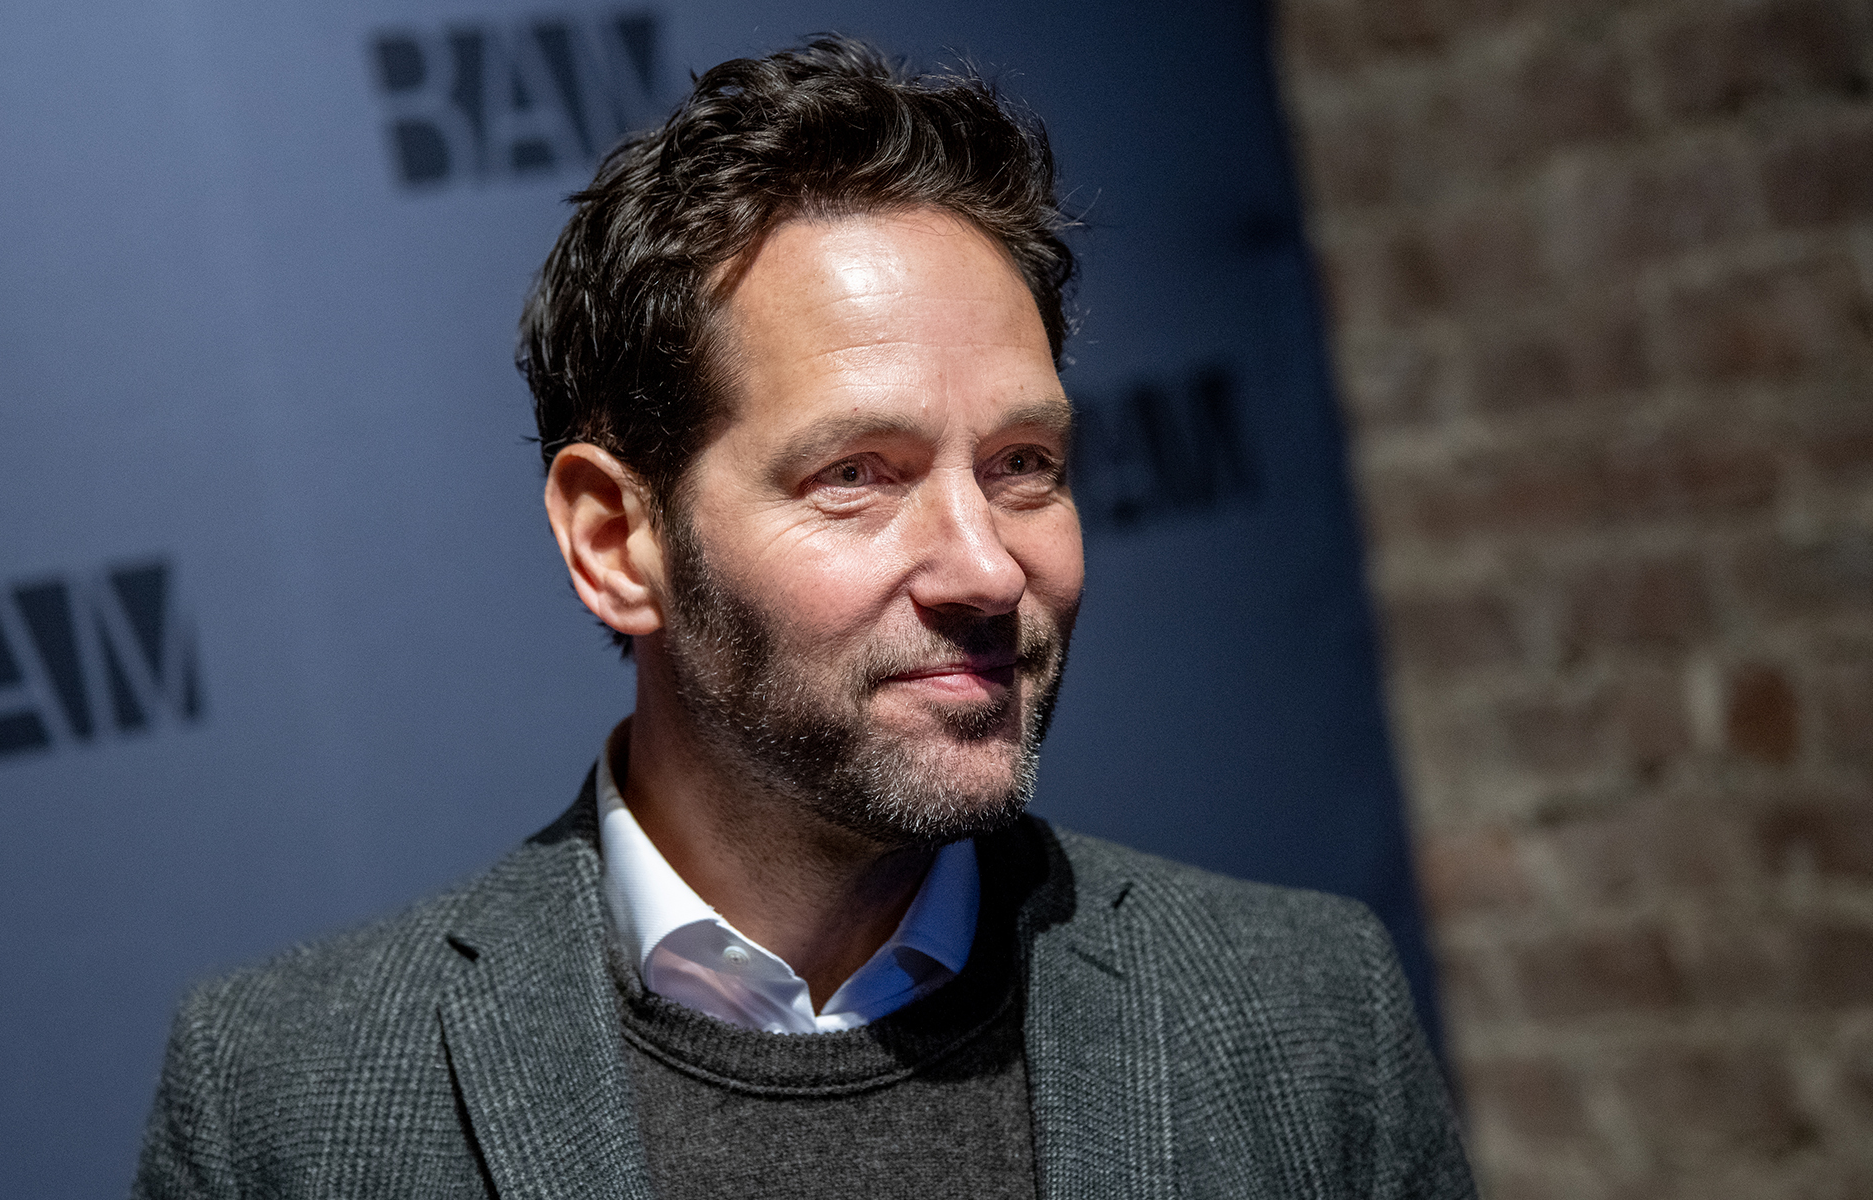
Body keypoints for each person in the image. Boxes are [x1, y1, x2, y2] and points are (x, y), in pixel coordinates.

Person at [132, 36, 1474, 1200]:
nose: (985, 569)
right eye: (858, 477)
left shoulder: (1304, 1019)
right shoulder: (290, 1104)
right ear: (616, 541)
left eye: (1024, 467)